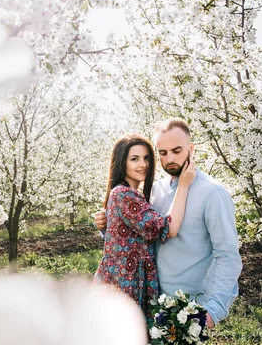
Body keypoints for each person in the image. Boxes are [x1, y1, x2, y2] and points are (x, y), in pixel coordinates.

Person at [94, 118, 242, 329]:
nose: (169, 158)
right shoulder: (155, 191)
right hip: (149, 302)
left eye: (176, 150)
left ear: (191, 149)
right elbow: (139, 235)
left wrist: (213, 311)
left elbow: (227, 255)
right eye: (162, 153)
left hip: (187, 308)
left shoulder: (213, 194)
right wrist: (107, 227)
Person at [93, 133, 196, 330]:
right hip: (126, 284)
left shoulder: (129, 194)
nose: (143, 164)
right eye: (135, 159)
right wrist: (184, 184)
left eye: (147, 158)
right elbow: (169, 229)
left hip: (125, 282)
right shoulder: (124, 194)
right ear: (122, 162)